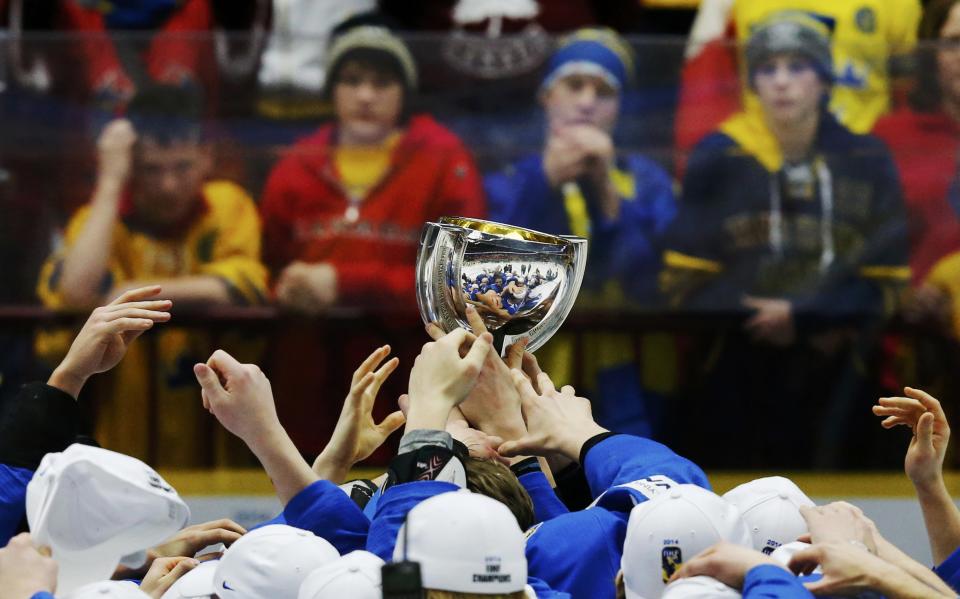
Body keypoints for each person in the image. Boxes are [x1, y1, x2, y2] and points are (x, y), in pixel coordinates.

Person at [661, 13, 910, 468]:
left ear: (824, 79)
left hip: (841, 372)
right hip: (736, 369)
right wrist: (762, 315)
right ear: (751, 81)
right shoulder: (719, 154)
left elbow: (888, 283)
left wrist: (804, 316)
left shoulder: (866, 158)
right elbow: (682, 281)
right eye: (767, 68)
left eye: (798, 67)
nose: (781, 82)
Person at [35, 85, 268, 466]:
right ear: (130, 166)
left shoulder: (227, 205)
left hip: (217, 445)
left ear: (205, 157)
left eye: (181, 167)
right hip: (121, 435)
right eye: (151, 169)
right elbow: (76, 291)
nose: (168, 186)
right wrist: (110, 181)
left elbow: (244, 284)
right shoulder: (99, 221)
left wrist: (128, 293)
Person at [484, 27, 678, 439]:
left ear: (620, 107)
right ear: (546, 96)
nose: (588, 102)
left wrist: (607, 190)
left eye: (604, 92)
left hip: (633, 369)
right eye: (574, 86)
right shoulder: (510, 176)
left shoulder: (648, 182)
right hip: (535, 366)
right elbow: (493, 275)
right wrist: (546, 180)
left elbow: (653, 283)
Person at [260, 25, 485, 314]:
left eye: (382, 83)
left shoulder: (445, 160)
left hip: (414, 355)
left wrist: (346, 284)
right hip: (307, 349)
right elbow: (268, 269)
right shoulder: (295, 164)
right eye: (351, 81)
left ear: (405, 93)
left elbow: (461, 279)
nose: (365, 96)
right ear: (332, 90)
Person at [675, 0, 922, 175]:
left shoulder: (899, 4)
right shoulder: (726, 3)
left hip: (860, 170)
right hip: (759, 168)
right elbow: (706, 93)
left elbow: (908, 100)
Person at [875, 0, 960, 340]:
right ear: (929, 54)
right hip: (906, 346)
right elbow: (855, 247)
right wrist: (901, 297)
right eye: (954, 43)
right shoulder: (887, 140)